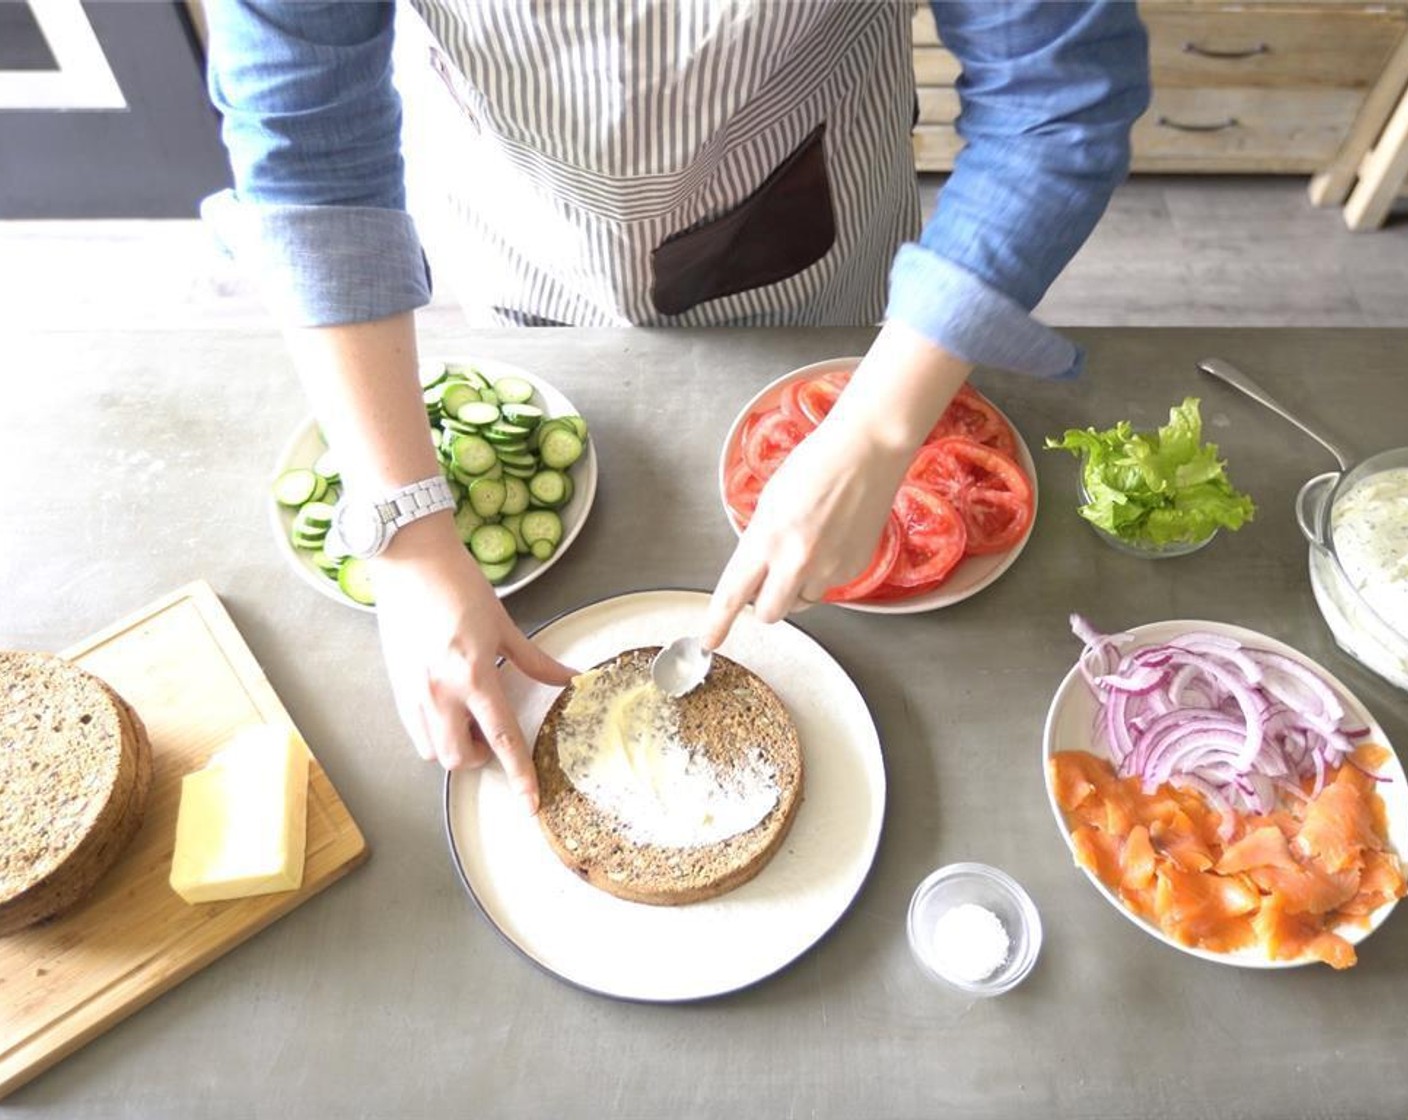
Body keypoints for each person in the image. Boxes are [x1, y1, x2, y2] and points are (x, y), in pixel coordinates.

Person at [201, 1, 1151, 813]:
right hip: (519, 218)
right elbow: (304, 140)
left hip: (813, 225)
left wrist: (875, 429)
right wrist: (404, 530)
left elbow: (1053, 97)